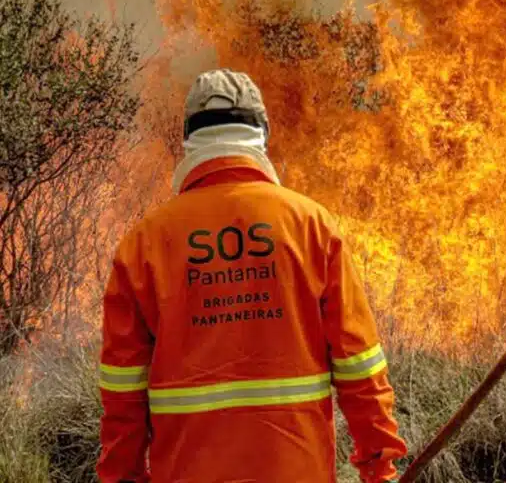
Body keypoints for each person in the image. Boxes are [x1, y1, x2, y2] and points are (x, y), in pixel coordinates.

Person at [97, 69, 407, 483]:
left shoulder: (144, 243)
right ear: (262, 131)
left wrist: (122, 477)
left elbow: (122, 393)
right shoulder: (311, 226)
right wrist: (379, 468)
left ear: (188, 137)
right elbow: (359, 365)